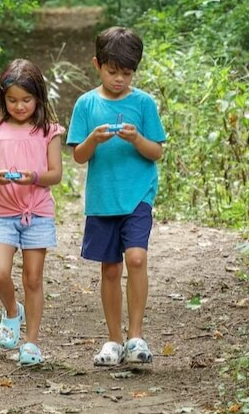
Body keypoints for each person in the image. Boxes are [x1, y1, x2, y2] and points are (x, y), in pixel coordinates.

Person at [67, 26, 166, 366]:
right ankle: (113, 340)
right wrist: (93, 139)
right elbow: (78, 156)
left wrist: (137, 138)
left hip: (138, 193)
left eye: (127, 73)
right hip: (103, 197)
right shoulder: (86, 104)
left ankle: (136, 336)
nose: (119, 79)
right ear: (97, 65)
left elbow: (156, 152)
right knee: (110, 268)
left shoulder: (143, 103)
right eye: (112, 72)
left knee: (136, 258)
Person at [0, 59, 65, 366]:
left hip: (37, 213)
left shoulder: (49, 131)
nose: (20, 106)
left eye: (26, 99)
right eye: (12, 100)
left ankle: (31, 342)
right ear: (3, 99)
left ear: (38, 97)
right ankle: (12, 311)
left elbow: (56, 174)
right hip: (3, 212)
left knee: (33, 278)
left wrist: (34, 176)